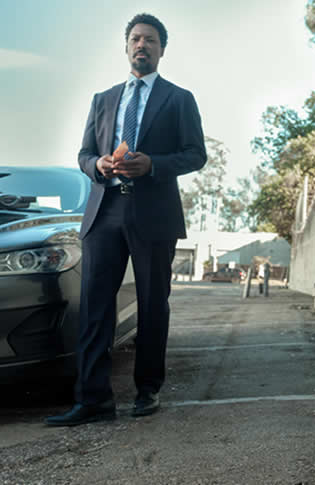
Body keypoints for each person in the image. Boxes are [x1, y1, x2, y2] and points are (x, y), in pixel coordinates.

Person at [46, 13, 206, 426]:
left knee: (152, 305)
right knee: (95, 308)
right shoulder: (103, 99)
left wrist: (154, 164)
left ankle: (147, 390)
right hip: (104, 212)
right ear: (126, 46)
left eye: (150, 40)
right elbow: (83, 154)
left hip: (153, 213)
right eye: (135, 39)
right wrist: (97, 164)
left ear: (161, 49)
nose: (141, 45)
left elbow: (196, 154)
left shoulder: (178, 98)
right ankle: (93, 400)